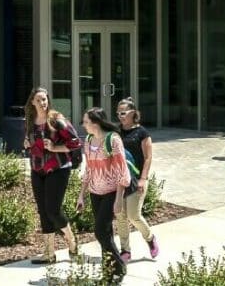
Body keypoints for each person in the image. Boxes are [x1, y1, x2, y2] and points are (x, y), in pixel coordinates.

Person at [23, 87, 81, 263]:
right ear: (32, 102)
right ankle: (49, 254)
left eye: (45, 99)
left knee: (53, 210)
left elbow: (75, 142)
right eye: (39, 100)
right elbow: (32, 142)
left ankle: (71, 240)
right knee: (43, 211)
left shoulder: (56, 120)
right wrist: (26, 144)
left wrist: (55, 148)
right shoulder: (31, 121)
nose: (43, 103)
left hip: (58, 168)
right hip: (37, 170)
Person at [76, 107, 128, 283]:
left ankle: (119, 266)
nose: (83, 125)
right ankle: (110, 273)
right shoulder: (89, 140)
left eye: (86, 122)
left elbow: (122, 170)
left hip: (111, 191)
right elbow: (89, 169)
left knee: (100, 232)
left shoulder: (113, 140)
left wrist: (119, 199)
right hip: (95, 191)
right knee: (106, 233)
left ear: (96, 123)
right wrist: (81, 195)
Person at [115, 97, 159, 263]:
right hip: (119, 181)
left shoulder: (142, 133)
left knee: (133, 215)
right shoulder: (116, 132)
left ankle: (150, 238)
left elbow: (148, 158)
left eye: (124, 113)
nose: (120, 116)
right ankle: (125, 250)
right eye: (118, 113)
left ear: (133, 113)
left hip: (137, 180)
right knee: (120, 215)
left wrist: (143, 179)